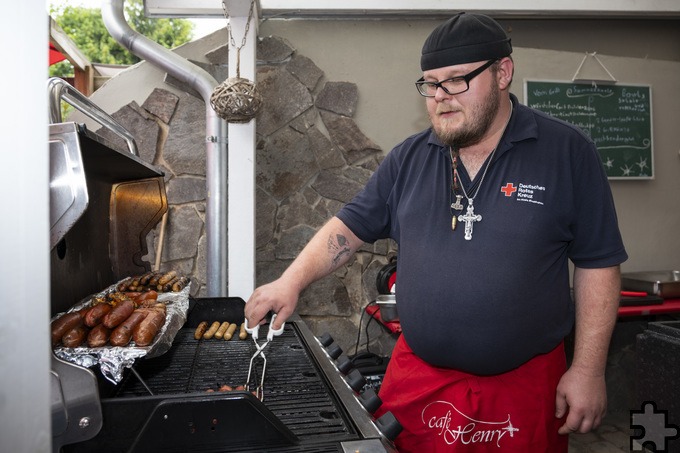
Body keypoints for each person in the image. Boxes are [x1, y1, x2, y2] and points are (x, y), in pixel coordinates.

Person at [245, 12, 627, 452]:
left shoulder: (567, 152)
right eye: (430, 83)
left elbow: (599, 263)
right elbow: (348, 227)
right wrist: (289, 282)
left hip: (523, 389)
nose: (441, 97)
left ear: (503, 72)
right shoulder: (409, 158)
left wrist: (588, 369)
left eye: (458, 80)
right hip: (420, 382)